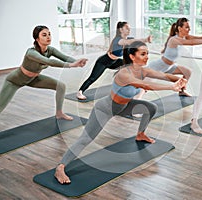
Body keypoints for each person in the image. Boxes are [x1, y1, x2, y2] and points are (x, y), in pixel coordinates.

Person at [55, 41, 187, 184]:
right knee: (85, 139)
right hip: (105, 109)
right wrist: (172, 88)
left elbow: (163, 75)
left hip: (124, 106)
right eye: (143, 54)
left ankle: (140, 134)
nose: (147, 57)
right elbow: (145, 85)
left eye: (147, 53)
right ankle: (60, 168)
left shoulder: (144, 70)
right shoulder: (124, 73)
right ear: (132, 56)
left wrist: (181, 78)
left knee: (151, 108)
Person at [0, 25, 88, 133]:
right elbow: (49, 62)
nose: (48, 37)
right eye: (44, 35)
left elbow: (65, 58)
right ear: (37, 39)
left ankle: (59, 113)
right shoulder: (31, 53)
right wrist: (71, 65)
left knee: (61, 86)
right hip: (14, 81)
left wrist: (77, 61)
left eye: (49, 34)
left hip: (33, 79)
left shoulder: (50, 50)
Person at [76, 21, 152, 100]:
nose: (129, 30)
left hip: (114, 62)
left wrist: (145, 40)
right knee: (92, 78)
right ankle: (80, 92)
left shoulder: (127, 39)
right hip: (104, 62)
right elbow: (127, 42)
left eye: (129, 28)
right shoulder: (118, 40)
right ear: (121, 30)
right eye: (127, 28)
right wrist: (146, 39)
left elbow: (134, 41)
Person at [145, 17, 202, 97]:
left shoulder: (185, 37)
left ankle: (182, 91)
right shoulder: (174, 40)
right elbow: (192, 43)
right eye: (187, 27)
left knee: (187, 72)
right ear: (180, 28)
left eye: (189, 27)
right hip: (158, 66)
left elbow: (199, 38)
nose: (189, 29)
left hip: (170, 67)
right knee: (141, 87)